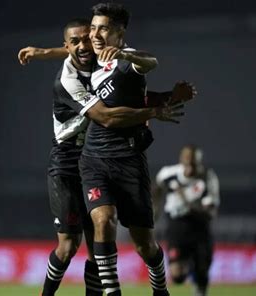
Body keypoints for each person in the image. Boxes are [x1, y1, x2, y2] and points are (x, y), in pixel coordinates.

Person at [18, 18, 192, 296]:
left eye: (88, 38)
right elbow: (106, 116)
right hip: (67, 159)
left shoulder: (99, 61)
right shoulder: (68, 80)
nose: (85, 45)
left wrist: (169, 96)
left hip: (94, 155)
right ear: (68, 46)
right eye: (75, 42)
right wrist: (155, 112)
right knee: (68, 246)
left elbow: (128, 96)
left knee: (98, 241)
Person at [76, 3, 183, 295]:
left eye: (104, 28)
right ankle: (113, 291)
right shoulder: (85, 62)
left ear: (120, 33)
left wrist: (124, 54)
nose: (96, 34)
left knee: (144, 245)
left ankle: (160, 287)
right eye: (93, 27)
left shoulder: (128, 60)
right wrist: (40, 53)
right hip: (94, 159)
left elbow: (151, 62)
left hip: (129, 162)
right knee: (103, 219)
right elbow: (68, 51)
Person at [155, 145, 220, 296]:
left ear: (199, 163)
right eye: (187, 162)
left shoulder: (207, 177)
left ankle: (199, 283)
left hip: (199, 226)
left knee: (202, 271)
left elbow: (211, 212)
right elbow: (156, 189)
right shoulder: (168, 174)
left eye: (194, 164)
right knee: (177, 276)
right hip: (176, 227)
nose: (190, 167)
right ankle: (190, 265)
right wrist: (154, 209)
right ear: (181, 161)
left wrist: (187, 202)